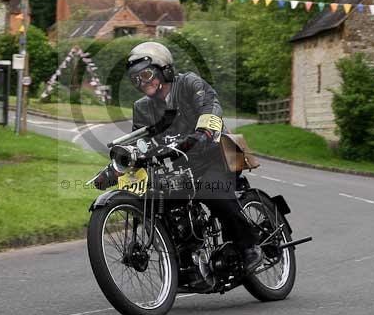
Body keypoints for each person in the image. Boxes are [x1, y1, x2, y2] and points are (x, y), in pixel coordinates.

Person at [94, 41, 262, 273]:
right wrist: (114, 170)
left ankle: (249, 246)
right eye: (136, 79)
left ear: (164, 69)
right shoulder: (142, 107)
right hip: (181, 166)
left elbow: (210, 106)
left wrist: (202, 133)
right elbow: (140, 143)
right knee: (161, 201)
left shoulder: (189, 83)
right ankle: (186, 259)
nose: (143, 82)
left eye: (146, 74)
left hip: (217, 153)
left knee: (213, 192)